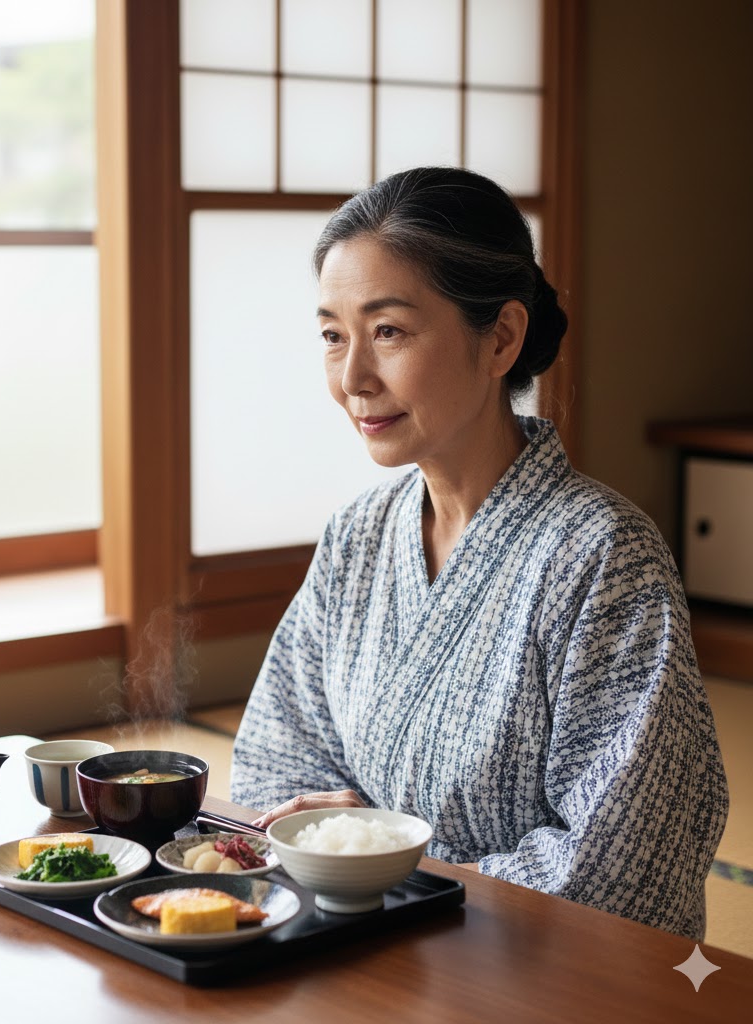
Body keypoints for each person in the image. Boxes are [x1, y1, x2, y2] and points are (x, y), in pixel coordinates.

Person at [229, 166, 728, 941]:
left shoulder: (603, 558)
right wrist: (351, 852)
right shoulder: (358, 536)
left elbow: (623, 865)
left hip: (534, 980)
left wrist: (392, 857)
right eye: (333, 336)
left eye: (388, 331)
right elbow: (274, 766)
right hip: (364, 944)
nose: (353, 377)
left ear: (500, 337)